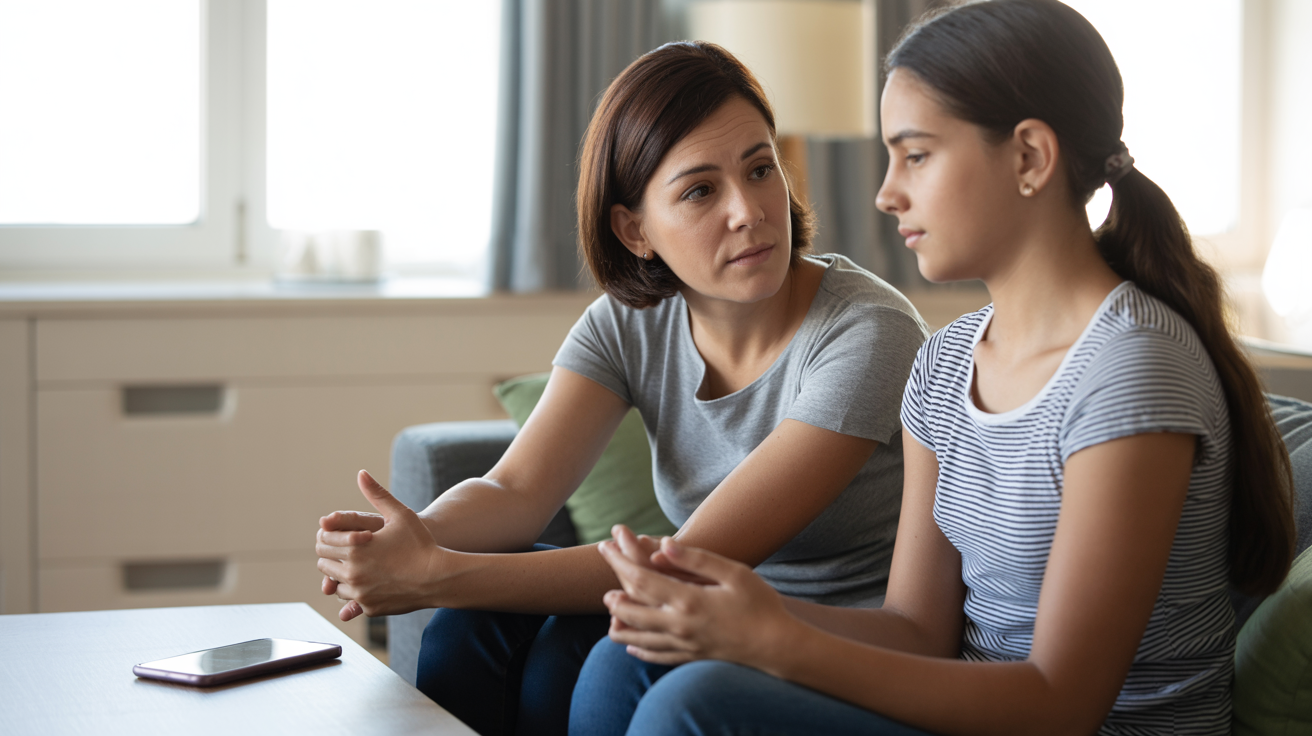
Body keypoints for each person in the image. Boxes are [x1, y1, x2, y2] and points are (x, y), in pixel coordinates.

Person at [578, 2, 1299, 734]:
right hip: (967, 708)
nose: (886, 193)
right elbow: (917, 632)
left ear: (1029, 158)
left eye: (915, 155)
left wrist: (778, 640)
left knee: (693, 704)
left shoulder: (1132, 370)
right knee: (632, 655)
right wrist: (740, 610)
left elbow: (1062, 705)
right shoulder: (944, 366)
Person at [312, 41, 929, 736]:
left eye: (761, 169)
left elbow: (695, 561)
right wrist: (410, 536)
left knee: (608, 657)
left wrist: (434, 574)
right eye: (700, 190)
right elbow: (516, 492)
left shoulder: (867, 332)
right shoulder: (629, 324)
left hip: (831, 642)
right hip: (699, 607)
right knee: (471, 629)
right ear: (634, 229)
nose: (749, 210)